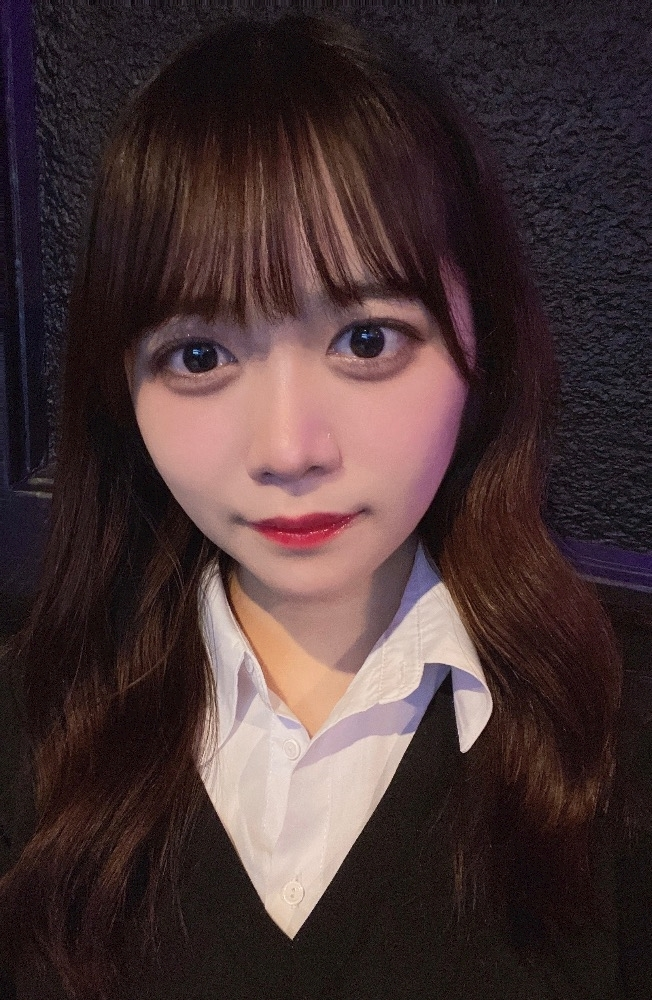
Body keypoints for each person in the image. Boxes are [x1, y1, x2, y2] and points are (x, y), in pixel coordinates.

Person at [0, 13, 650, 1000]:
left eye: (366, 340)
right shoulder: (29, 727)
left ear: (484, 349)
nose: (289, 450)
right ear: (120, 387)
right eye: (200, 355)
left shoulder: (618, 748)